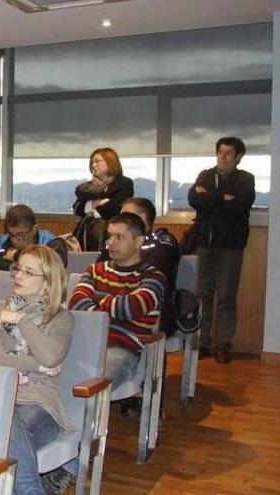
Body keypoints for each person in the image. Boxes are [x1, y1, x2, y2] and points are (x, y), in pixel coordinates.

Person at [0, 245, 74, 495]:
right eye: (18, 269)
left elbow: (51, 356)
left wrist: (20, 320)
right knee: (1, 439)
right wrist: (35, 365)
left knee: (0, 436)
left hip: (37, 404)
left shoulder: (60, 318)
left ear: (48, 282)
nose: (18, 276)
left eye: (29, 273)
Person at [69, 213, 166, 390]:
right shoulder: (95, 270)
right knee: (51, 373)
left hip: (122, 348)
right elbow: (76, 303)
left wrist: (98, 300)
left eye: (119, 237)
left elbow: (131, 308)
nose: (111, 243)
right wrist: (113, 305)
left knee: (91, 386)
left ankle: (89, 418)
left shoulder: (153, 277)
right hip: (85, 343)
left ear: (138, 241)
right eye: (109, 236)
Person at [188, 137, 255, 364]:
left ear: (238, 157)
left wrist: (208, 199)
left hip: (230, 246)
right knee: (202, 294)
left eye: (228, 153)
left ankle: (222, 344)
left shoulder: (245, 179)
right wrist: (220, 198)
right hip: (203, 244)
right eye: (220, 152)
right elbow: (194, 200)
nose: (223, 157)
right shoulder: (205, 175)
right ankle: (202, 342)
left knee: (226, 295)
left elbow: (239, 206)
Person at [98, 198, 181, 337]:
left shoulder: (163, 242)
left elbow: (146, 273)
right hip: (110, 309)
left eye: (125, 214)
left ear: (142, 218)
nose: (120, 218)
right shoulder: (112, 243)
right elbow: (99, 273)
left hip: (150, 310)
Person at [0, 204, 69, 271]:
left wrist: (17, 255)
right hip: (9, 296)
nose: (14, 240)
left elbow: (55, 264)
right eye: (11, 234)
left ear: (34, 229)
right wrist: (6, 265)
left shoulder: (51, 242)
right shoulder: (2, 241)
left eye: (20, 235)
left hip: (39, 298)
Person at [72, 148, 134, 251]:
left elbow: (115, 207)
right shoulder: (87, 187)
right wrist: (93, 204)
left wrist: (90, 209)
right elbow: (77, 208)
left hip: (110, 235)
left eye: (97, 161)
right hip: (84, 234)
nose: (93, 165)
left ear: (111, 162)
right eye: (92, 162)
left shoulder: (124, 183)